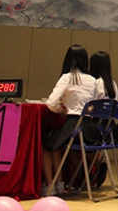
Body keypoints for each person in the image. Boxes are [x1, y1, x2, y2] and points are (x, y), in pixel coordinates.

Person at [42, 44, 98, 196]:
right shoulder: (93, 80)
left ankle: (51, 185)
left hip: (73, 126)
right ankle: (60, 184)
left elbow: (51, 103)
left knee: (47, 142)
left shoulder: (67, 77)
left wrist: (62, 110)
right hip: (91, 130)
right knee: (54, 141)